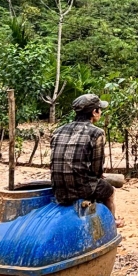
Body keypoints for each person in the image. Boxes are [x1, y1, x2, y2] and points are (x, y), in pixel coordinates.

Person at [50, 94, 119, 226]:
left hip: (58, 187)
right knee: (109, 191)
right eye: (99, 109)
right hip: (82, 188)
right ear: (94, 112)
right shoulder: (96, 133)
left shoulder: (58, 131)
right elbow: (96, 170)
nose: (100, 112)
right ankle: (112, 222)